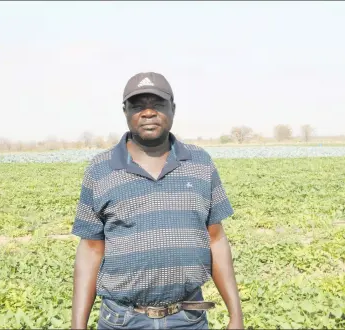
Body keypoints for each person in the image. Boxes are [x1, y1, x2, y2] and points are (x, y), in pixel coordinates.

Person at [70, 72, 244, 330]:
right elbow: (91, 251)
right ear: (125, 111)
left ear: (172, 109)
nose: (148, 113)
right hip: (122, 320)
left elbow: (216, 239)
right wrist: (77, 326)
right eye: (138, 105)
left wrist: (236, 316)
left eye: (158, 104)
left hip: (187, 319)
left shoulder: (200, 163)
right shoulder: (100, 169)